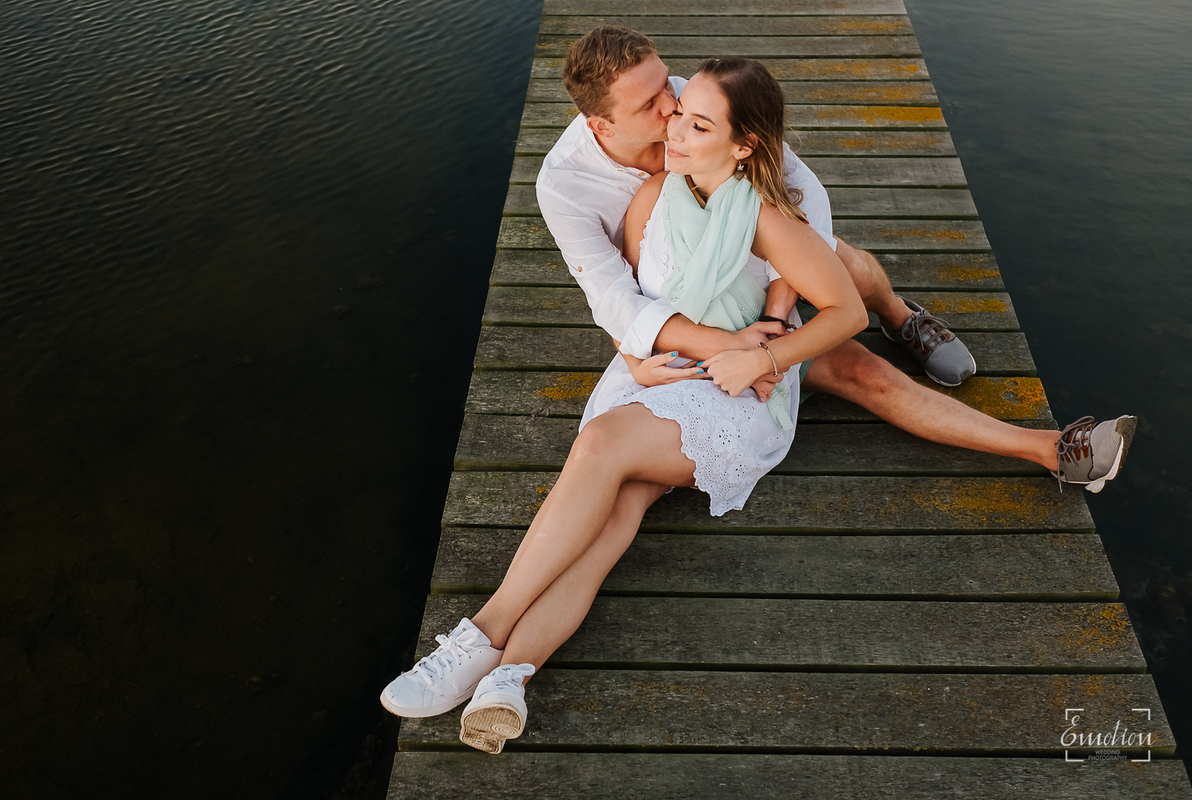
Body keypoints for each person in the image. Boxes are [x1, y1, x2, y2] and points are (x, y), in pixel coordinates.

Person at [378, 53, 1137, 756]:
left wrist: (770, 342)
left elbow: (820, 259)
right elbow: (631, 297)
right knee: (612, 518)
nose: (674, 115)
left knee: (609, 447)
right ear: (604, 125)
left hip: (748, 376)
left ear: (739, 143)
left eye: (689, 113)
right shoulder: (621, 189)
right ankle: (510, 677)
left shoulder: (763, 198)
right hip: (681, 364)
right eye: (665, 111)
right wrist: (649, 355)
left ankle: (482, 633)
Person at [535, 26, 977, 389]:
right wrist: (640, 356)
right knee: (852, 369)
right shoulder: (564, 187)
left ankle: (899, 316)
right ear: (600, 125)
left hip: (751, 243)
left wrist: (777, 311)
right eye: (650, 104)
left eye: (666, 82)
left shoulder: (694, 101)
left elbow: (802, 187)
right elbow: (609, 292)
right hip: (673, 291)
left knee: (847, 268)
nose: (672, 106)